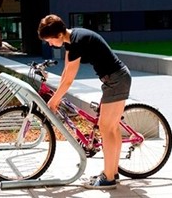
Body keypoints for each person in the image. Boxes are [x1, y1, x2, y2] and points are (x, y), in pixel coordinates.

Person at [37, 14, 131, 189]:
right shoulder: (71, 39)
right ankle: (112, 172)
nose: (49, 44)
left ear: (57, 35)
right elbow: (66, 72)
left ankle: (108, 178)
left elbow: (69, 80)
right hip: (115, 79)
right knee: (112, 128)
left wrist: (54, 100)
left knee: (106, 128)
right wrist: (57, 95)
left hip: (116, 80)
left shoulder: (77, 42)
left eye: (49, 40)